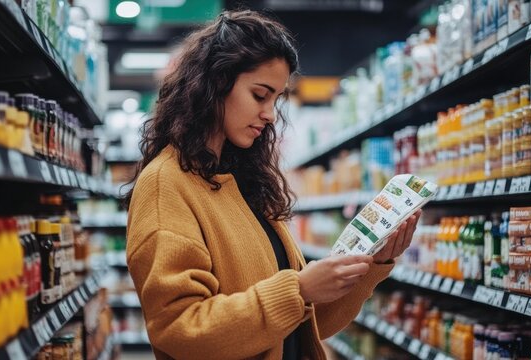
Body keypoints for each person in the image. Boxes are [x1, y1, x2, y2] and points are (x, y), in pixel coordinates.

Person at [124, 9, 420, 360]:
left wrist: (372, 265)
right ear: (215, 84)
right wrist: (298, 289)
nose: (269, 114)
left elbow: (303, 325)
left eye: (275, 99)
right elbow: (181, 328)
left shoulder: (244, 185)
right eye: (259, 95)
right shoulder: (166, 185)